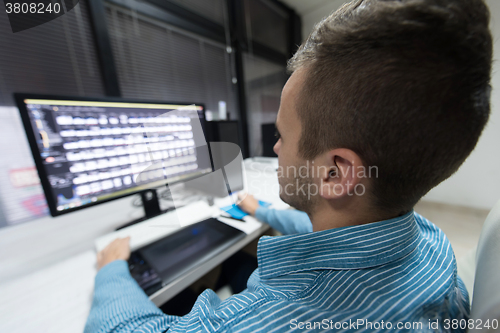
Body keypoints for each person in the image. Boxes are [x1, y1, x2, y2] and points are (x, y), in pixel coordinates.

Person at [84, 0, 492, 332]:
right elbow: (348, 235)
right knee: (242, 265)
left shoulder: (278, 319)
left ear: (335, 172)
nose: (276, 148)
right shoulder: (431, 242)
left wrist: (113, 268)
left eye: (282, 135)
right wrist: (262, 211)